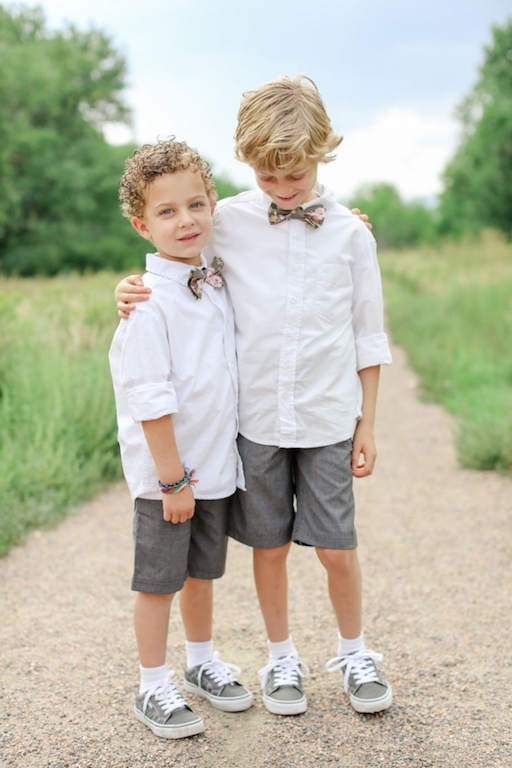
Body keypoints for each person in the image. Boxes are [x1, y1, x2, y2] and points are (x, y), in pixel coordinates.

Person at [115, 75, 394, 717]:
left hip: (327, 416)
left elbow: (368, 335)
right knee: (266, 547)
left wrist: (368, 424)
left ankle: (354, 651)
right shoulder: (228, 220)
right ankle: (280, 657)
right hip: (258, 424)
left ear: (323, 150)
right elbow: (170, 249)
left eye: (295, 173)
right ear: (248, 167)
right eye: (269, 178)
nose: (284, 188)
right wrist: (128, 289)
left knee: (336, 546)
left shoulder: (352, 234)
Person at [109, 138, 253, 741]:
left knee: (201, 574)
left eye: (197, 204)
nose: (186, 220)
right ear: (143, 223)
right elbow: (151, 397)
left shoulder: (214, 277)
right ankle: (152, 683)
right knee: (159, 580)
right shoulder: (147, 304)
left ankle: (200, 662)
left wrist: (345, 225)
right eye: (167, 212)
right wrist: (172, 479)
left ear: (213, 204)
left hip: (213, 467)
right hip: (169, 476)